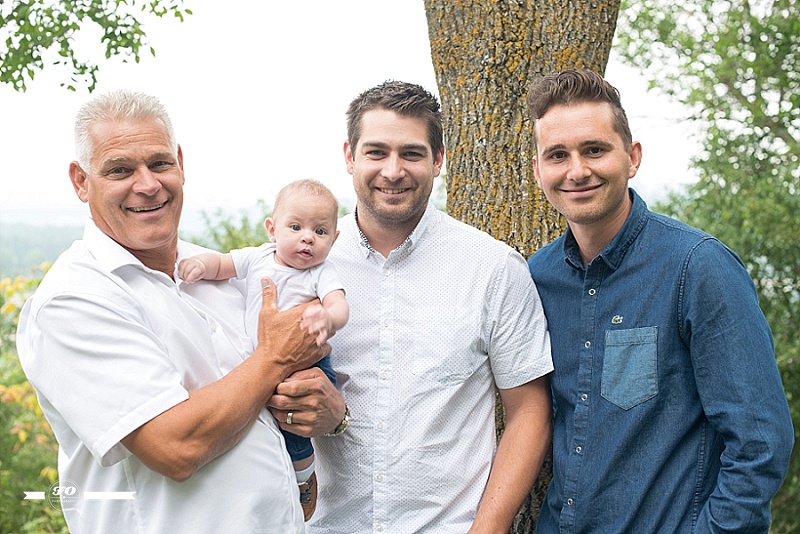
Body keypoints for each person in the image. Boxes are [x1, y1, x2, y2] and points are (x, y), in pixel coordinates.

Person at [16, 89, 335, 533]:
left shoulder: (216, 271)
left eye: (160, 163)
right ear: (81, 181)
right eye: (120, 169)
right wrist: (275, 358)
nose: (148, 184)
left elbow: (277, 399)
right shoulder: (74, 300)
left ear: (180, 163)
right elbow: (175, 447)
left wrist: (326, 414)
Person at [525, 68, 794, 533]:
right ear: (538, 170)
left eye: (595, 149)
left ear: (632, 157)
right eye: (558, 155)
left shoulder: (698, 268)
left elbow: (759, 442)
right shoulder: (537, 277)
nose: (577, 170)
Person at [279, 80, 554, 534]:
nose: (393, 171)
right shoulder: (298, 268)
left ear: (438, 159)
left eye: (411, 153)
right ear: (349, 156)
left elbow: (529, 410)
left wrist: (488, 529)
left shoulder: (492, 268)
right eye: (376, 152)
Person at [178, 178, 349, 520]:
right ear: (272, 229)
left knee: (294, 422)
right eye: (296, 227)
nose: (307, 238)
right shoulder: (258, 257)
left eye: (320, 231)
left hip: (307, 367)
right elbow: (223, 264)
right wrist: (201, 266)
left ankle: (303, 478)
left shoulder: (321, 272)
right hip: (264, 362)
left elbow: (339, 305)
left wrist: (328, 318)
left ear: (333, 239)